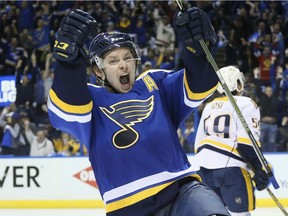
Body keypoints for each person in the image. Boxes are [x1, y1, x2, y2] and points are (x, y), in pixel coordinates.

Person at [48, 8, 230, 216]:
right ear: (98, 71)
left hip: (182, 192)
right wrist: (68, 66)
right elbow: (64, 109)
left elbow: (200, 84)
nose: (123, 66)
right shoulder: (90, 99)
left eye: (128, 58)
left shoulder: (154, 83)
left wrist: (197, 52)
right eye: (113, 61)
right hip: (127, 208)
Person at [194, 66, 270, 216]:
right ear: (237, 83)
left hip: (204, 171)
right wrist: (260, 168)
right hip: (231, 171)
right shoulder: (246, 103)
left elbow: (199, 143)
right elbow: (247, 144)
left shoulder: (208, 107)